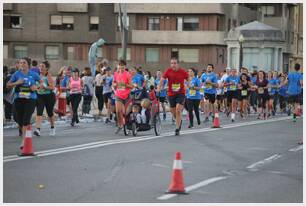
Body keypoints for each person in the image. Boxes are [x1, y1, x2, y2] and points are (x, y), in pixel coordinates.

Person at [6, 57, 40, 149]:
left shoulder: (34, 74)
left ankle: (23, 141)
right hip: (18, 99)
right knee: (19, 119)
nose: (22, 64)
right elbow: (8, 85)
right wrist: (17, 82)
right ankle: (24, 129)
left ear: (28, 64)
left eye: (24, 63)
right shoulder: (16, 74)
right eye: (20, 63)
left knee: (25, 119)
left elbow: (42, 83)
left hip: (30, 99)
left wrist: (36, 87)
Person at [157, 57, 189, 136]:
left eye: (174, 63)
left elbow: (188, 78)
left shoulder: (182, 71)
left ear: (178, 64)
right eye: (172, 63)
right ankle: (179, 120)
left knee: (178, 110)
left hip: (181, 93)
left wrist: (188, 84)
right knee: (172, 111)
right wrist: (159, 87)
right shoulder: (168, 71)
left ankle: (177, 128)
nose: (173, 65)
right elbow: (162, 79)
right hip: (171, 94)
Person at [34, 61, 56, 136]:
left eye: (42, 66)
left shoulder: (48, 76)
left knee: (50, 113)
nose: (41, 68)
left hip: (49, 96)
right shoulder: (37, 75)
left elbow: (52, 87)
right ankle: (38, 129)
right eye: (40, 66)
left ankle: (52, 127)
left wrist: (45, 87)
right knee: (39, 111)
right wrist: (36, 88)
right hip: (40, 96)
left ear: (46, 68)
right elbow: (35, 86)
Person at [112, 60, 133, 134]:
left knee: (125, 113)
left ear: (125, 67)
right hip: (118, 95)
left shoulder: (128, 74)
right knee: (118, 111)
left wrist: (125, 85)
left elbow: (131, 86)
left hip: (127, 96)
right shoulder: (115, 74)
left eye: (123, 68)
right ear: (118, 66)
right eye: (120, 68)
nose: (121, 69)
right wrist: (114, 85)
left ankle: (127, 126)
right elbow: (114, 82)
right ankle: (120, 125)